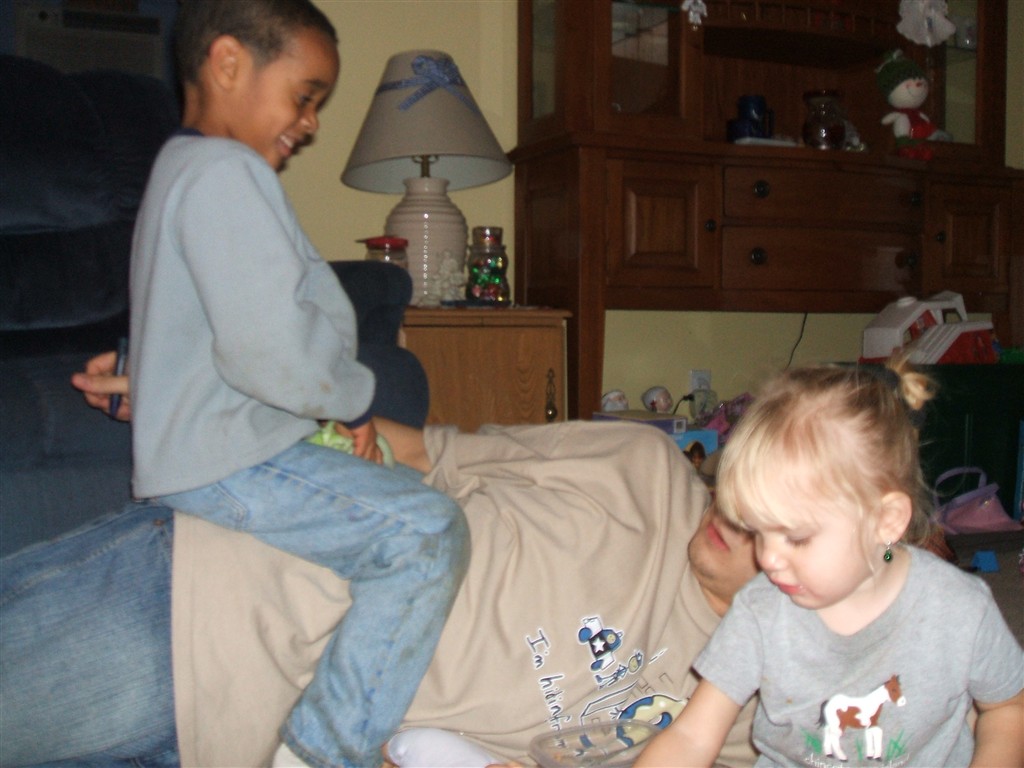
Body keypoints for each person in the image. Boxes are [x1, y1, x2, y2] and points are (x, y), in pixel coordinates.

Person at [3, 356, 761, 767]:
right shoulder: (640, 468)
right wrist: (213, 401)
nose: (743, 512)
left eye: (789, 521)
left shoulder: (744, 721)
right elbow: (418, 452)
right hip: (207, 615)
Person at [124, 2, 467, 767]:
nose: (310, 123)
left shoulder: (183, 169)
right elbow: (269, 348)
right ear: (228, 64)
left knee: (385, 499)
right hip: (229, 458)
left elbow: (192, 320)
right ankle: (324, 749)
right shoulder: (227, 173)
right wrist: (353, 400)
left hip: (220, 444)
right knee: (428, 532)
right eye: (304, 96)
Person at [635, 361, 1024, 768]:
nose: (767, 558)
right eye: (756, 530)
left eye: (797, 537)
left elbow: (1007, 708)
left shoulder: (960, 608)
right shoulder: (760, 609)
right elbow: (692, 737)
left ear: (886, 521)